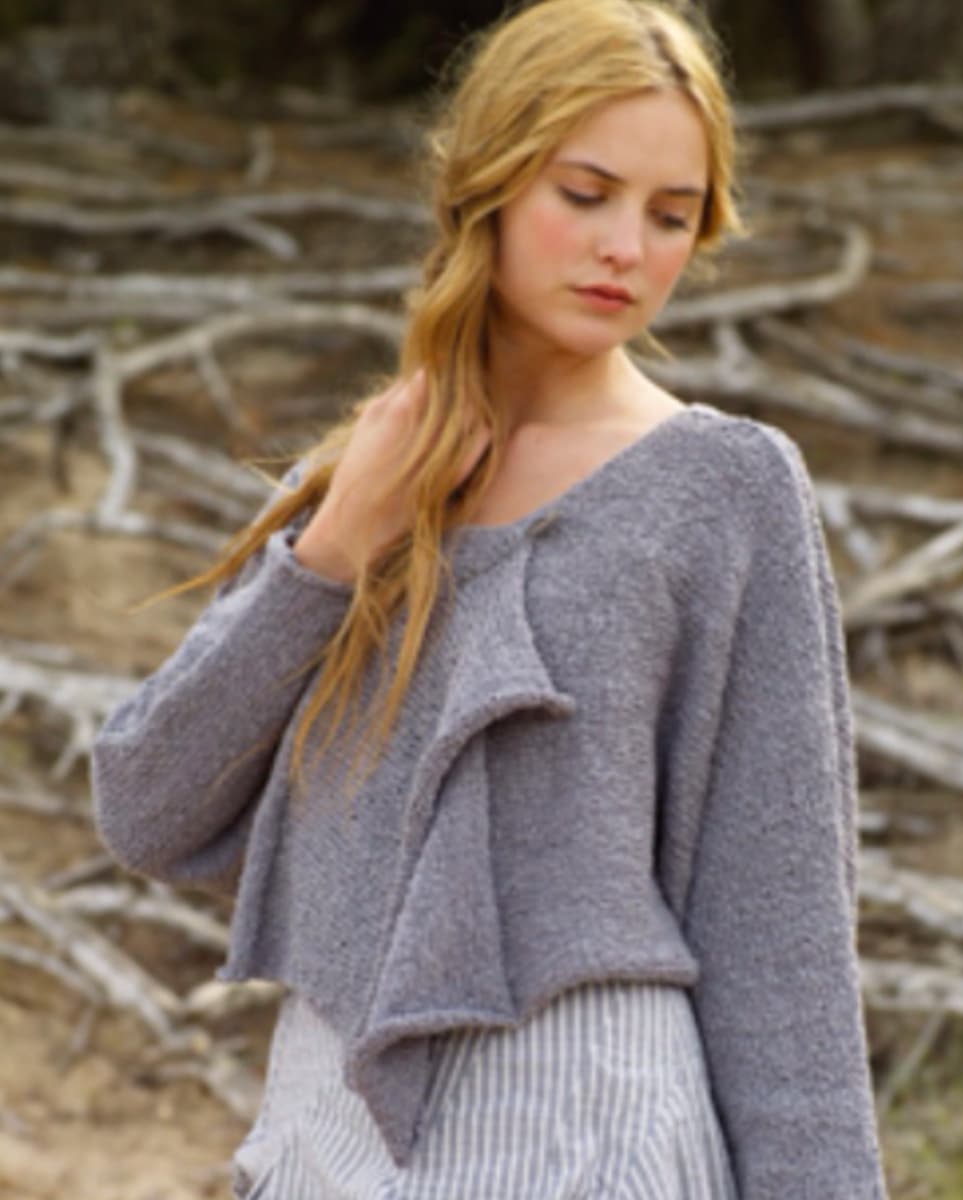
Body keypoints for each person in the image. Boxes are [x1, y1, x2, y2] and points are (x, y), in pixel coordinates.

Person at [90, 0, 889, 1196]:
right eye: (587, 194)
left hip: (594, 1133)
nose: (626, 248)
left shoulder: (727, 489)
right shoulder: (370, 472)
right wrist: (335, 547)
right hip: (327, 1131)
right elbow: (148, 807)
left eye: (671, 216)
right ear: (489, 186)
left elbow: (782, 932)